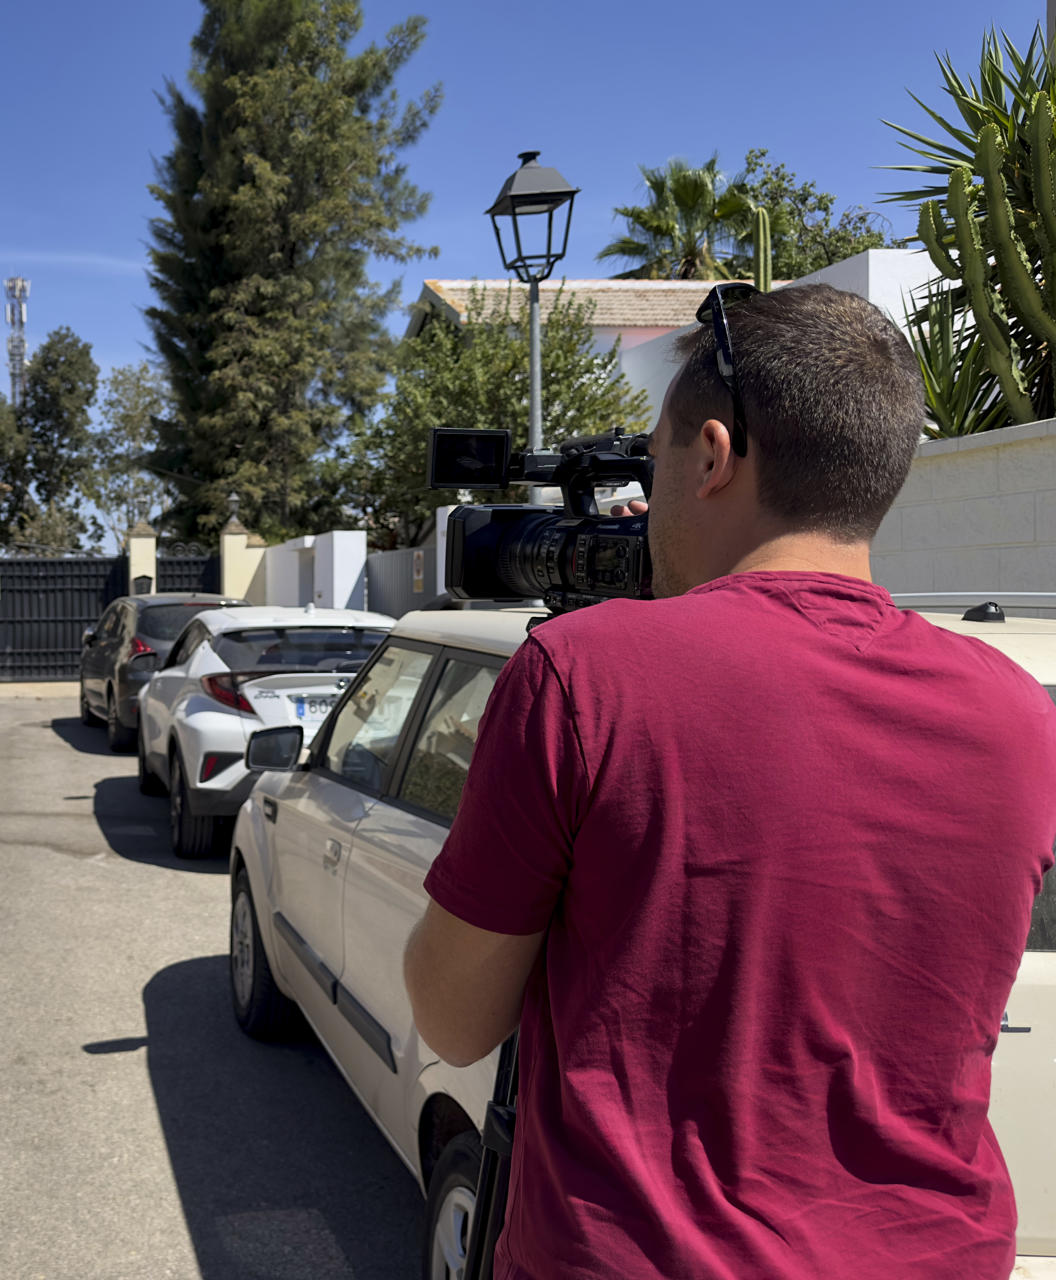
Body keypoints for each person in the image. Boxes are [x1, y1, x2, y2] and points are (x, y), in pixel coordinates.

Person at [401, 282, 1056, 1279]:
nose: (644, 495)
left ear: (712, 454)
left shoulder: (583, 674)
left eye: (653, 459)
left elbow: (451, 1018)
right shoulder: (1022, 715)